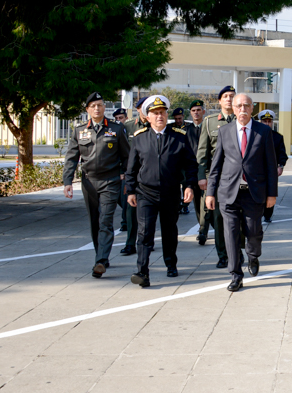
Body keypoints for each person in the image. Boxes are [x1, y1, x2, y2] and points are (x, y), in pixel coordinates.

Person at [206, 93, 279, 292]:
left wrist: (272, 194)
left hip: (253, 192)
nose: (242, 110)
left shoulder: (263, 132)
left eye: (246, 106)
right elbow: (216, 165)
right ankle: (235, 275)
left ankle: (253, 256)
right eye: (239, 106)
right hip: (228, 192)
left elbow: (271, 166)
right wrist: (210, 193)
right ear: (234, 109)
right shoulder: (225, 132)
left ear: (252, 108)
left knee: (253, 231)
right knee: (230, 234)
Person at [125, 95, 198, 287]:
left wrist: (189, 185)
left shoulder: (179, 137)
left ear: (167, 115)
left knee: (169, 231)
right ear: (147, 117)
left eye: (162, 113)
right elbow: (131, 168)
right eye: (155, 113)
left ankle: (170, 263)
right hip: (145, 193)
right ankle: (142, 271)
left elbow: (191, 164)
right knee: (144, 232)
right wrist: (130, 191)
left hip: (170, 192)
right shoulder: (139, 138)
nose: (159, 116)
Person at [62, 92, 131, 278]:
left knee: (105, 220)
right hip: (89, 182)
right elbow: (71, 157)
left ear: (104, 107)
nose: (97, 108)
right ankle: (101, 254)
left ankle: (100, 261)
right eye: (93, 106)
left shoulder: (116, 129)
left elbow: (126, 155)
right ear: (87, 110)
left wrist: (128, 179)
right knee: (94, 221)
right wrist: (67, 181)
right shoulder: (79, 130)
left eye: (100, 105)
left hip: (111, 180)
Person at [197, 86, 237, 265]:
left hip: (238, 178)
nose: (229, 99)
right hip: (218, 178)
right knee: (219, 218)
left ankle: (237, 251)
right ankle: (223, 255)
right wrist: (202, 176)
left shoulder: (243, 119)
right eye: (226, 96)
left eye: (232, 96)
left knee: (240, 218)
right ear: (219, 101)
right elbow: (203, 153)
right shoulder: (209, 122)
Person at [118, 97, 149, 256]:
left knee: (149, 214)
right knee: (130, 211)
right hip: (132, 176)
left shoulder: (155, 126)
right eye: (142, 107)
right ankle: (130, 243)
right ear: (137, 109)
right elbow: (122, 151)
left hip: (150, 177)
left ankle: (146, 241)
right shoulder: (128, 126)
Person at [257, 110, 288, 222]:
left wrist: (280, 166)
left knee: (270, 191)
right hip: (257, 170)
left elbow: (282, 154)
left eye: (269, 121)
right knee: (258, 191)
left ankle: (268, 214)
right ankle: (258, 212)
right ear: (260, 122)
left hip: (271, 170)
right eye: (264, 121)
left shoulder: (277, 137)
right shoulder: (255, 135)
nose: (267, 124)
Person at [184, 100, 206, 224]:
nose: (196, 113)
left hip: (207, 169)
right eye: (193, 111)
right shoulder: (186, 131)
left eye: (198, 110)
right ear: (190, 113)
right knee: (197, 201)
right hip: (193, 171)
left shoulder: (208, 127)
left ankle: (206, 226)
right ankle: (202, 227)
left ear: (203, 112)